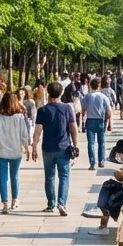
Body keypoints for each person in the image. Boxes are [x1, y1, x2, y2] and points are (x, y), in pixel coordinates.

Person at [31, 81, 79, 216]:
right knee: (64, 176)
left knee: (49, 177)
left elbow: (38, 130)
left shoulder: (43, 110)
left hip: (47, 148)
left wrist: (34, 146)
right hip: (64, 147)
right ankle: (62, 203)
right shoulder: (67, 108)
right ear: (61, 93)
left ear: (48, 92)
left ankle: (51, 203)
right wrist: (75, 144)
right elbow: (73, 127)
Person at [0, 92, 32, 214]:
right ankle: (15, 200)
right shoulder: (19, 117)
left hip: (1, 150)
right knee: (15, 176)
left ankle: (5, 203)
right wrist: (27, 148)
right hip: (16, 151)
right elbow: (24, 134)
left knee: (3, 178)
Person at [81, 77, 113, 172]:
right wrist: (108, 122)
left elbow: (83, 110)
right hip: (100, 121)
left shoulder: (87, 96)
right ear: (99, 86)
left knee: (91, 143)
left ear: (90, 86)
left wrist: (83, 121)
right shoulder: (103, 97)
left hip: (90, 120)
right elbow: (109, 112)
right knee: (101, 142)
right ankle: (101, 161)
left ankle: (92, 163)